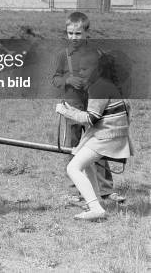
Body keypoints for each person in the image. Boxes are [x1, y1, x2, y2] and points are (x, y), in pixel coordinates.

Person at [51, 11, 124, 203]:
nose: (74, 37)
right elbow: (54, 78)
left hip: (94, 107)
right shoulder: (62, 55)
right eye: (70, 34)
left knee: (98, 148)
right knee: (73, 148)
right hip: (72, 107)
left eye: (78, 34)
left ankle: (105, 189)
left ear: (86, 34)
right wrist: (68, 79)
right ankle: (76, 190)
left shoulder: (97, 54)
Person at [56, 48, 133, 221]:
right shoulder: (103, 84)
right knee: (86, 164)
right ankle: (96, 201)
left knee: (73, 168)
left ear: (97, 69)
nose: (80, 73)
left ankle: (95, 208)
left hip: (107, 137)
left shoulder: (99, 88)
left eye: (84, 69)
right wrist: (71, 110)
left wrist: (65, 112)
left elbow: (91, 118)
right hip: (109, 134)